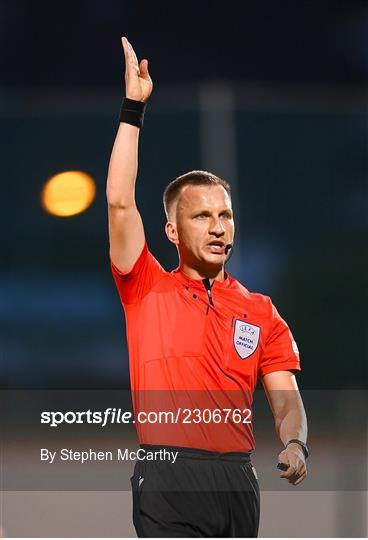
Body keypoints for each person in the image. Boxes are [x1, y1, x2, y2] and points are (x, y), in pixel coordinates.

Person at [107, 36, 308, 538]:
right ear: (173, 231)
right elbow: (118, 202)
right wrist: (133, 109)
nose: (218, 227)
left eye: (225, 215)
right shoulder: (146, 287)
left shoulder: (261, 311)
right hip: (168, 475)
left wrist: (295, 443)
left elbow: (285, 397)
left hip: (238, 479)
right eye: (202, 216)